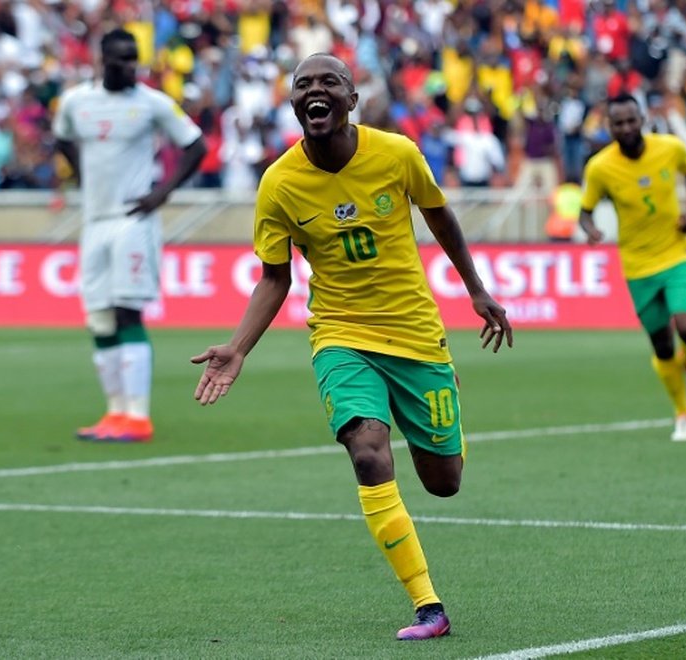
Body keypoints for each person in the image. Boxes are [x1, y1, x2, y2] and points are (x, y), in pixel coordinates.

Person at [190, 53, 512, 640]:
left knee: (445, 481)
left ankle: (441, 399)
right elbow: (274, 276)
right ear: (293, 105)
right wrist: (239, 347)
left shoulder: (397, 153)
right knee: (367, 450)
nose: (316, 90)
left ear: (351, 100)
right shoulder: (279, 183)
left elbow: (440, 217)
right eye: (304, 84)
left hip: (415, 333)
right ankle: (427, 605)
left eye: (329, 81)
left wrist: (477, 289)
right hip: (340, 335)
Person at [53, 29, 207, 442]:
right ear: (101, 59)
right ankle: (115, 413)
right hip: (94, 220)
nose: (129, 66)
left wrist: (163, 192)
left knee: (126, 311)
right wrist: (82, 174)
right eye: (120, 58)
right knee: (99, 318)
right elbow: (62, 137)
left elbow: (195, 145)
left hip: (132, 222)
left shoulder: (152, 103)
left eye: (133, 59)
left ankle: (138, 417)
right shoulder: (76, 102)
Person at [578, 93, 686, 442]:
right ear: (610, 127)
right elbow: (584, 211)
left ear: (643, 118)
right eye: (618, 123)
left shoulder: (670, 148)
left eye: (632, 120)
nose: (627, 128)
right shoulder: (601, 167)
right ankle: (683, 412)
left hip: (676, 253)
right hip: (637, 266)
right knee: (663, 347)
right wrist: (590, 230)